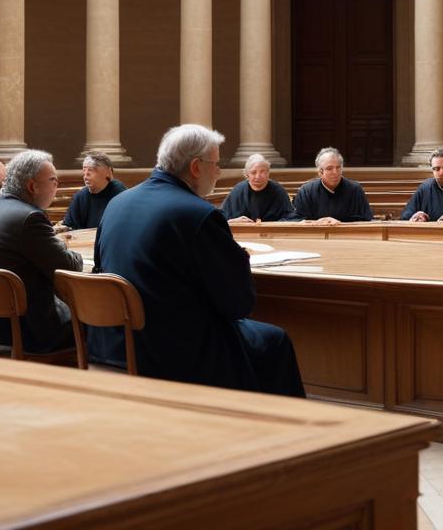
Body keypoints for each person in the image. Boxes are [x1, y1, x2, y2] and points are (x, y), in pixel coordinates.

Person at [89, 124, 305, 397]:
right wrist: (236, 258)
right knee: (274, 341)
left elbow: (100, 269)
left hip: (111, 344)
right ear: (195, 167)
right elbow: (239, 303)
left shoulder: (117, 204)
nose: (218, 172)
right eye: (215, 164)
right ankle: (289, 432)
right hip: (173, 352)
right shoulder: (198, 214)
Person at [0, 149, 82, 353]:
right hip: (29, 333)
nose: (57, 186)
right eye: (53, 180)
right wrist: (63, 246)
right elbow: (70, 267)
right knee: (106, 317)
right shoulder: (29, 218)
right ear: (31, 186)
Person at [293, 147, 373, 224]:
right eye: (329, 168)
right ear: (320, 172)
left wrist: (339, 223)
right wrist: (320, 222)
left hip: (348, 236)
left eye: (338, 167)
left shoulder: (355, 189)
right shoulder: (306, 191)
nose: (335, 172)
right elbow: (298, 220)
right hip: (316, 236)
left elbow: (366, 219)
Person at [221, 153, 299, 223]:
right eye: (253, 172)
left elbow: (290, 217)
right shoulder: (238, 190)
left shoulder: (277, 190)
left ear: (268, 173)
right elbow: (221, 218)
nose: (258, 177)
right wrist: (233, 221)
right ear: (247, 174)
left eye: (262, 172)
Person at [62, 151, 128, 230]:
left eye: (90, 170)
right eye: (84, 170)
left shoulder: (119, 193)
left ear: (108, 172)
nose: (85, 175)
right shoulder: (80, 196)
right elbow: (69, 226)